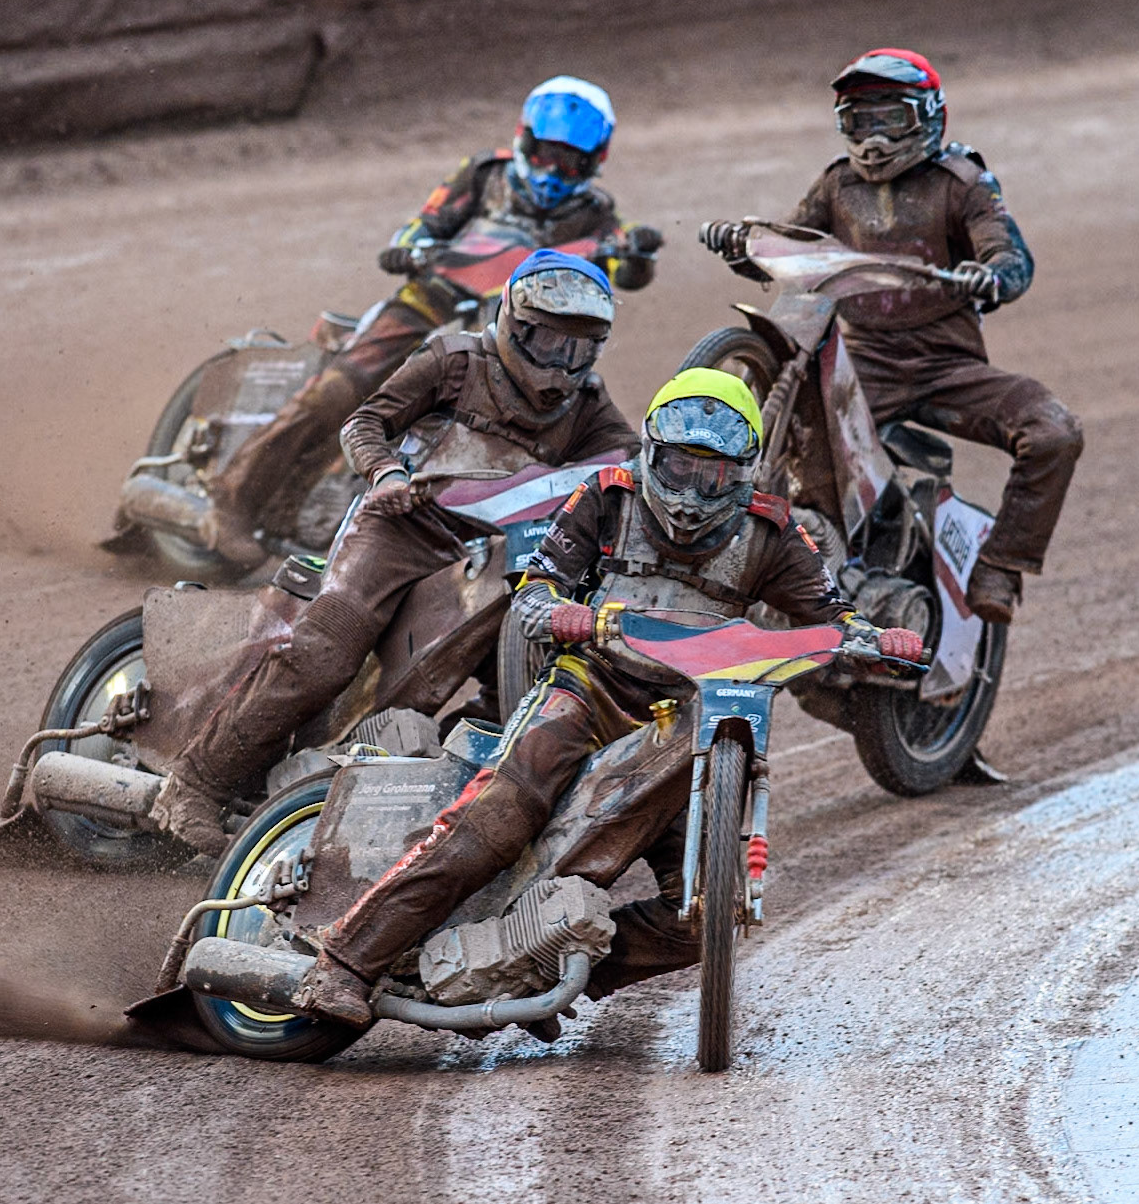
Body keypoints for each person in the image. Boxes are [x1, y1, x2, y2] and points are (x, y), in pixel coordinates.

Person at [291, 367, 925, 1026]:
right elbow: (536, 588)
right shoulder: (607, 495)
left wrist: (868, 638)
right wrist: (561, 614)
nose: (688, 493)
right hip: (587, 690)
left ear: (743, 472)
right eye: (677, 468)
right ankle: (343, 961)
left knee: (707, 915)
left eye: (710, 476)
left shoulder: (771, 534)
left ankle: (534, 963)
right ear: (651, 453)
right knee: (495, 818)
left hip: (690, 722)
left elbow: (834, 612)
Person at [148, 250, 641, 855]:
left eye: (578, 350)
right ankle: (194, 783)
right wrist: (385, 475)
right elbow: (364, 422)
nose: (561, 366)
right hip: (400, 528)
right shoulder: (455, 360)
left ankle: (430, 811)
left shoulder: (589, 405)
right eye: (548, 343)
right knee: (323, 655)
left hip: (484, 556)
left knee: (529, 690)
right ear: (513, 320)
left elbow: (629, 469)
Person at [198, 75, 662, 567]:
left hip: (513, 333)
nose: (553, 169)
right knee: (337, 390)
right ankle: (231, 502)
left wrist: (638, 253)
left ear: (595, 162)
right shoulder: (485, 174)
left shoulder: (597, 216)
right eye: (545, 152)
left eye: (569, 160)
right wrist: (409, 245)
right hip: (429, 303)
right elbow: (427, 221)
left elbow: (619, 265)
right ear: (524, 138)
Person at [702, 48, 1082, 625]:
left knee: (1055, 432)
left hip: (951, 372)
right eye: (860, 120)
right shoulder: (836, 184)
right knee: (795, 468)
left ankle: (1000, 566)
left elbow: (1011, 258)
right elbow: (796, 251)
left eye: (890, 119)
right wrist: (744, 249)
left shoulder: (963, 183)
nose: (873, 138)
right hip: (864, 371)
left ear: (928, 116)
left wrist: (992, 273)